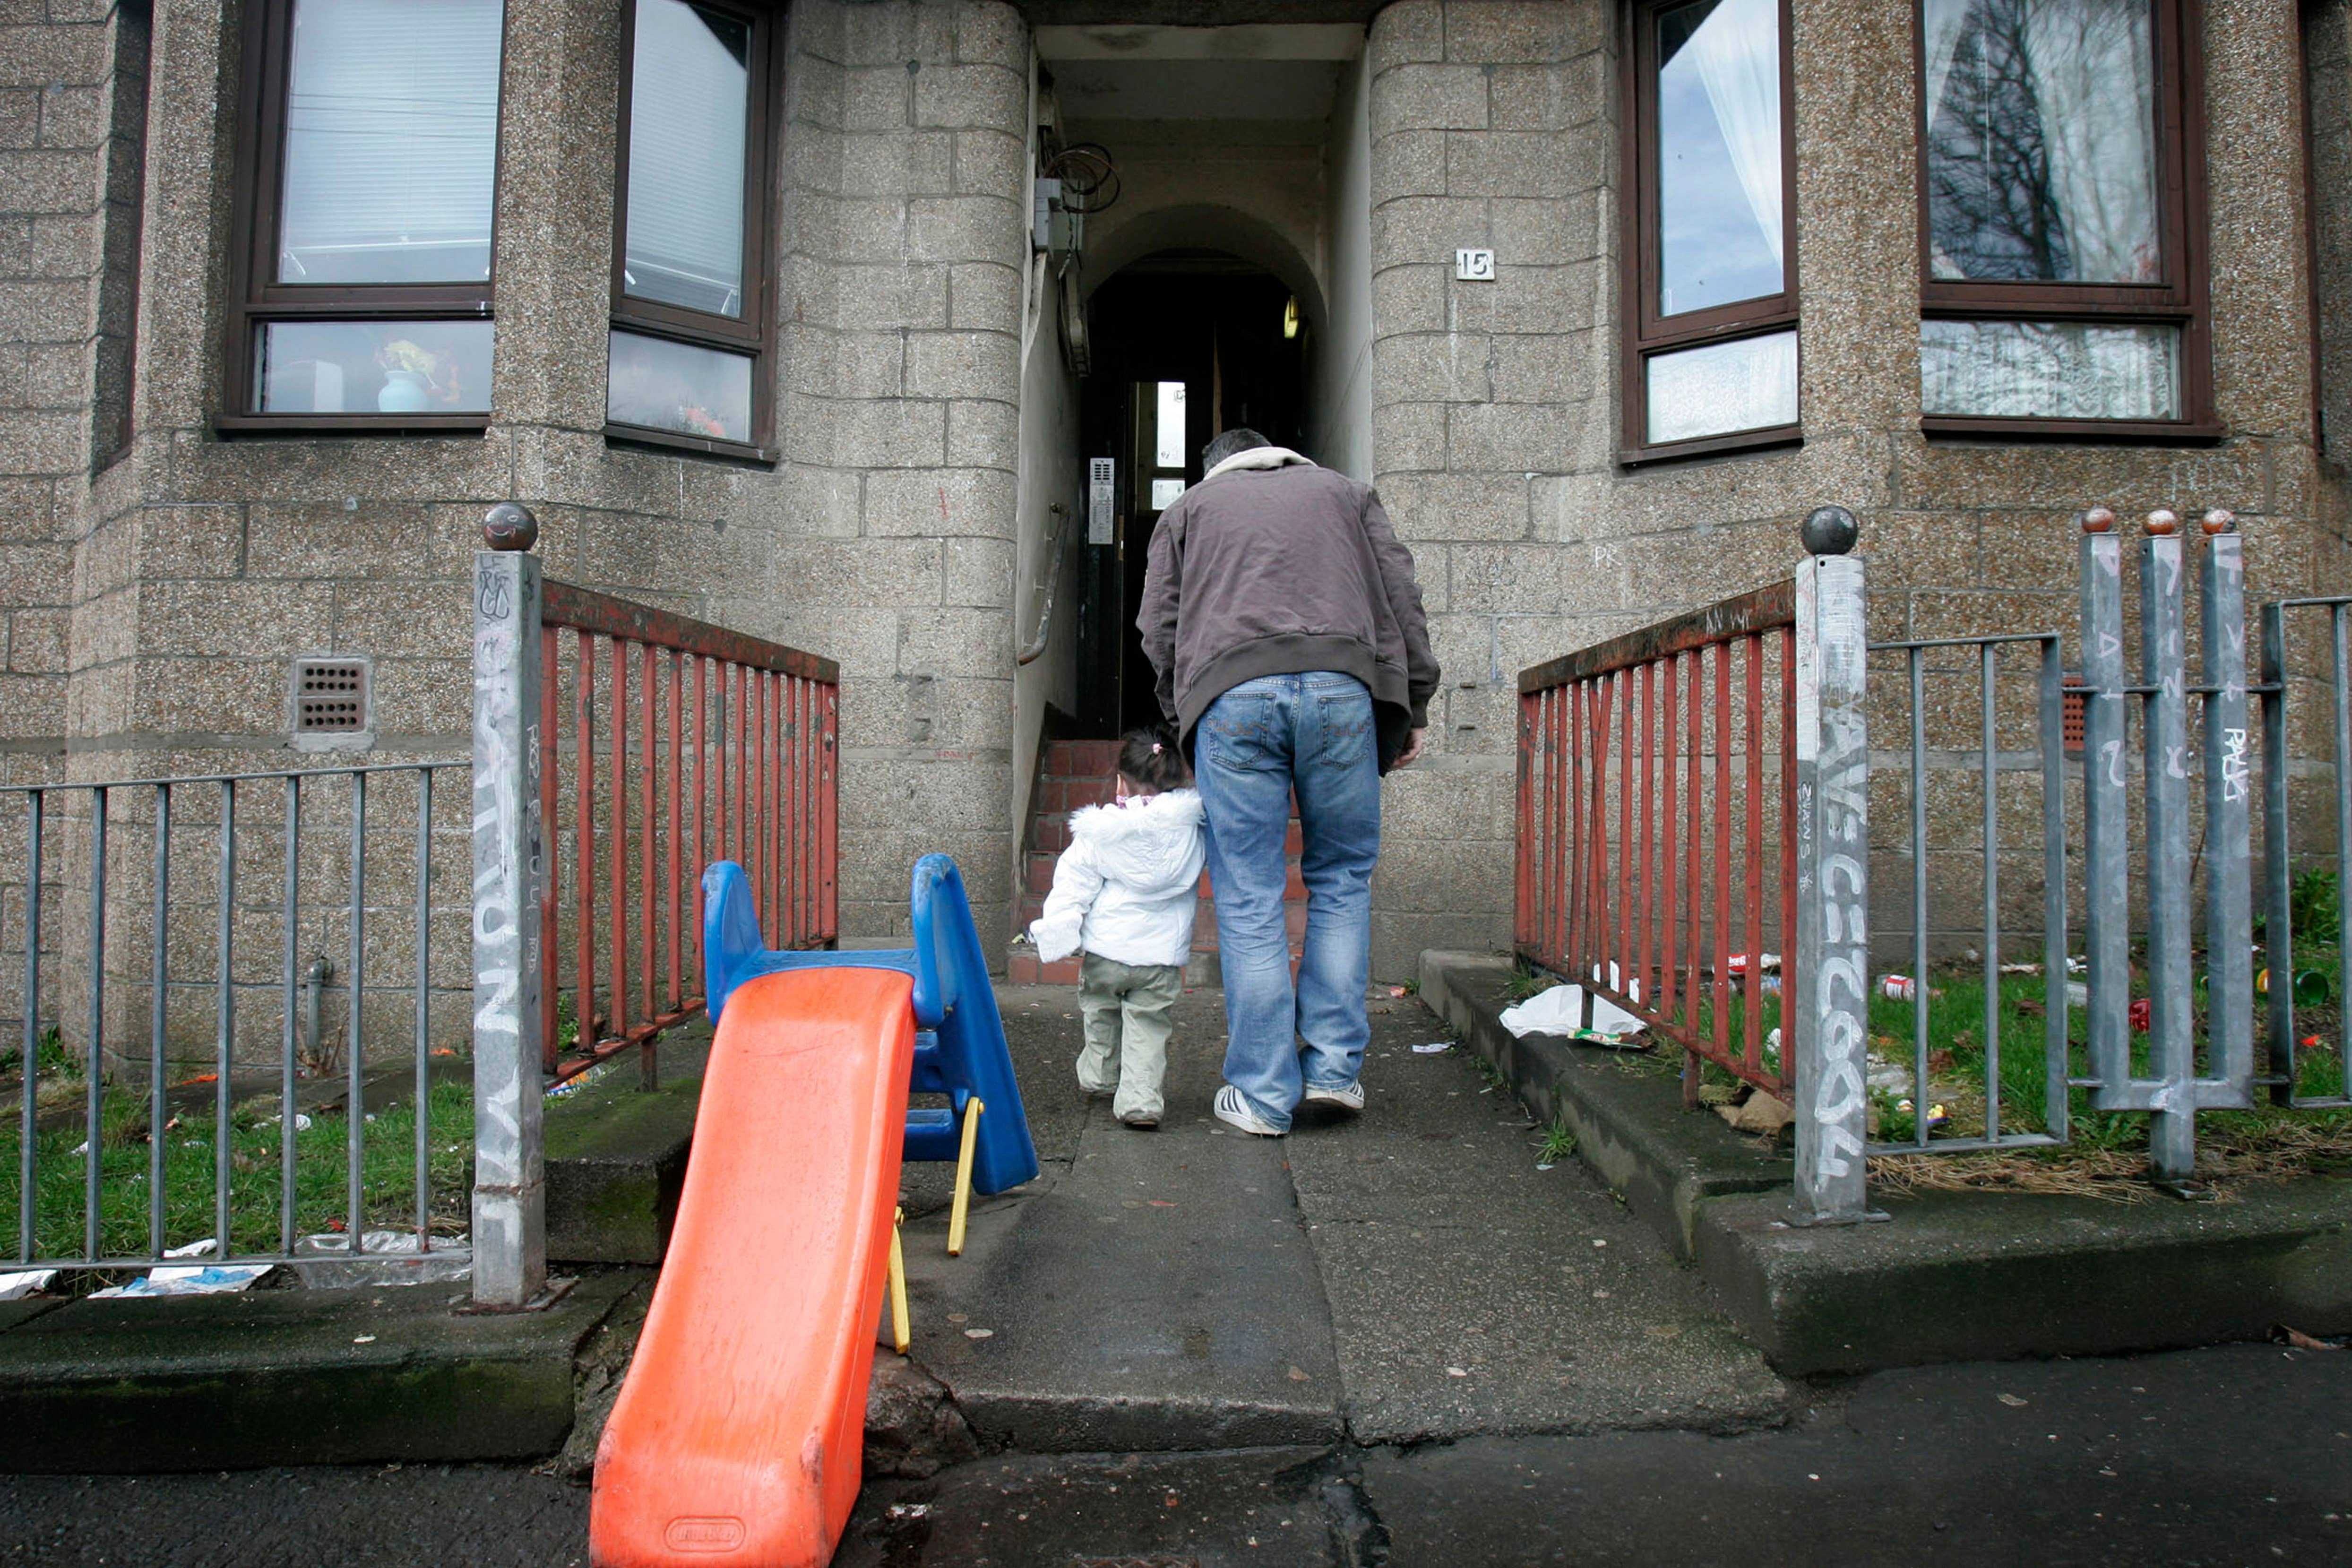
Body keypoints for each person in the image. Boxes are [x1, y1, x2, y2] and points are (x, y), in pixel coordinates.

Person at [1137, 427, 1438, 1137]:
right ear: (1281, 457)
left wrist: (1181, 712)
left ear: (1217, 471)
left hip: (1229, 692)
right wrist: (1414, 700)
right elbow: (1404, 598)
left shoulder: (1187, 512)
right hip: (1344, 687)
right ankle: (1333, 1071)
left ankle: (1264, 1095)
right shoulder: (1348, 494)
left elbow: (1159, 627)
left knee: (1248, 893)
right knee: (1340, 878)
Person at [1025, 725, 1206, 1130]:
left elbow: (1073, 883)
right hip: (1159, 958)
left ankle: (1100, 1077)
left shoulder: (1100, 834)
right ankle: (1141, 1101)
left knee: (1101, 1011)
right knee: (1148, 1023)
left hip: (1106, 952)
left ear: (1121, 783)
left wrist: (1059, 927)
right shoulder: (1192, 832)